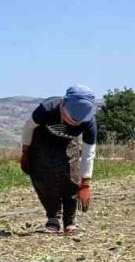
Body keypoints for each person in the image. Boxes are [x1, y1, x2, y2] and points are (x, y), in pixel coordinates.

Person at [19, 85, 98, 233]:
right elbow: (28, 128)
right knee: (44, 179)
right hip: (42, 141)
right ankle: (53, 218)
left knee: (72, 179)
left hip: (68, 142)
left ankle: (70, 221)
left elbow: (88, 153)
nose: (74, 120)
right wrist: (26, 152)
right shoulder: (47, 109)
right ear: (64, 103)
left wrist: (85, 184)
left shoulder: (89, 123)